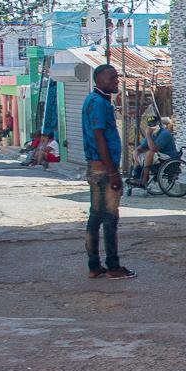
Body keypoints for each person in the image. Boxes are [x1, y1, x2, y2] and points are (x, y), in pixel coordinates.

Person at [82, 65, 133, 279]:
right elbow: (99, 137)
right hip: (103, 168)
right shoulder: (99, 104)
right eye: (112, 78)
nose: (116, 81)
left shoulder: (93, 101)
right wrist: (113, 172)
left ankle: (94, 265)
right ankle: (113, 266)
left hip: (96, 166)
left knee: (96, 216)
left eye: (117, 77)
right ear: (99, 79)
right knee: (110, 218)